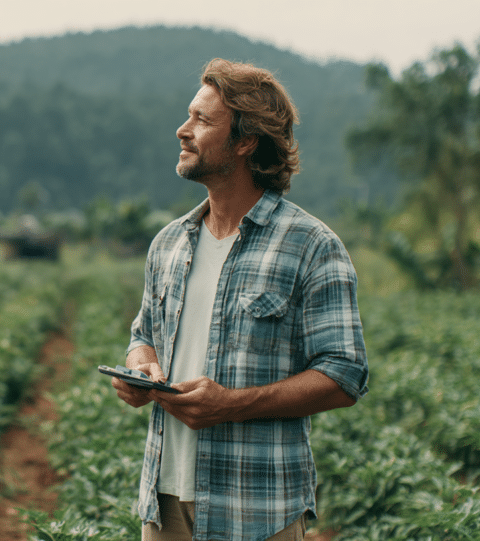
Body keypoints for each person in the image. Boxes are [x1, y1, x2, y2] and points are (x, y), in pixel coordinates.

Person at [112, 58, 369, 541]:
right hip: (164, 505)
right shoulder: (169, 243)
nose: (183, 130)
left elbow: (344, 375)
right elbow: (143, 333)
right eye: (189, 116)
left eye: (202, 120)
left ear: (246, 141)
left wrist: (231, 405)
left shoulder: (311, 245)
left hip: (256, 510)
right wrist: (139, 368)